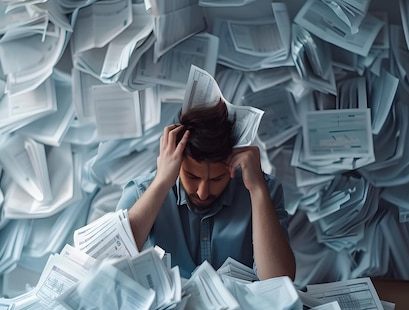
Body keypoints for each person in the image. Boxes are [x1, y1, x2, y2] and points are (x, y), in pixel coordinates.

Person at [115, 100, 295, 280]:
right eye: (192, 176)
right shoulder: (141, 191)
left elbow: (279, 279)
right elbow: (112, 266)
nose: (203, 192)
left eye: (217, 179)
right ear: (176, 163)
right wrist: (162, 181)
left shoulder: (263, 189)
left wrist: (257, 190)